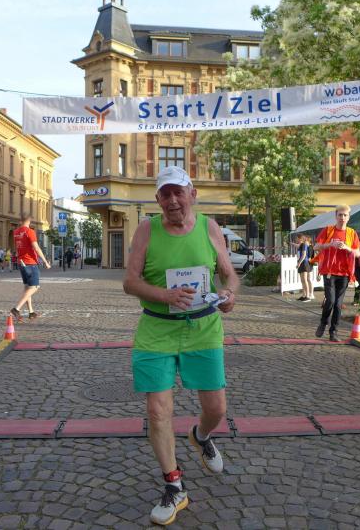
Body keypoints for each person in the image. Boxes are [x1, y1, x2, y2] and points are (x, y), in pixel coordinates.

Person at [123, 166, 238, 526]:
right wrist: (165, 295)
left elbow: (228, 273)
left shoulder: (210, 228)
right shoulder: (147, 229)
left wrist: (230, 293)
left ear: (192, 194)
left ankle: (201, 436)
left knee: (216, 408)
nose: (172, 200)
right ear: (158, 200)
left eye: (178, 192)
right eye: (165, 194)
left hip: (203, 329)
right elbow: (130, 282)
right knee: (158, 411)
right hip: (156, 330)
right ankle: (175, 486)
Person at [313, 205, 359, 341]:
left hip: (345, 273)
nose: (342, 217)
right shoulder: (328, 230)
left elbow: (357, 253)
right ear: (336, 216)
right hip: (329, 271)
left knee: (338, 304)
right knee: (330, 301)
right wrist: (330, 245)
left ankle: (334, 332)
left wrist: (347, 248)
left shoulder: (352, 233)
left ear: (349, 217)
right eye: (340, 215)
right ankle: (323, 322)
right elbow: (316, 247)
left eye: (345, 215)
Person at [11, 214, 51, 321]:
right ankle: (16, 309)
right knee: (35, 287)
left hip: (21, 262)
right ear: (29, 221)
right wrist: (45, 261)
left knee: (27, 287)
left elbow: (18, 247)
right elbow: (36, 248)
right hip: (30, 262)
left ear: (20, 220)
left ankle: (31, 312)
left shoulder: (16, 232)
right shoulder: (30, 231)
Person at [296, 234, 314, 302]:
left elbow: (304, 255)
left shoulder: (304, 245)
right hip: (301, 263)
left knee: (305, 280)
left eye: (297, 238)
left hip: (304, 263)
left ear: (300, 239)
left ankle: (308, 296)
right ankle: (304, 295)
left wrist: (299, 263)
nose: (296, 240)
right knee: (302, 280)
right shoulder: (301, 245)